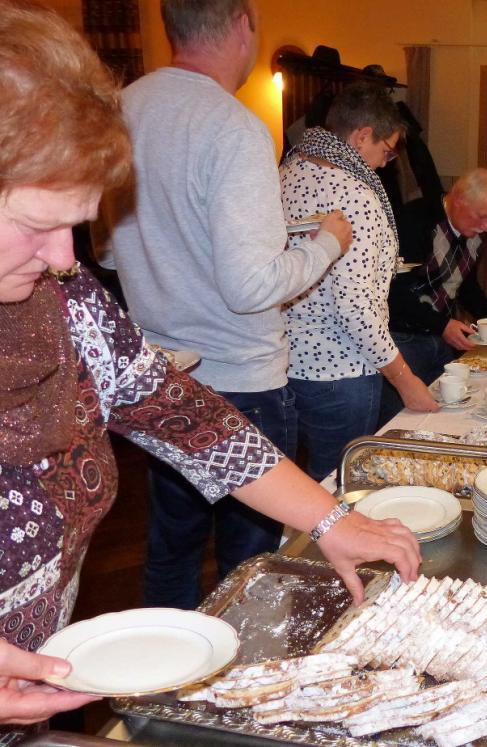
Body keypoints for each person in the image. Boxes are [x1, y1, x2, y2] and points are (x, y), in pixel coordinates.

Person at [0, 1, 420, 725]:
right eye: (39, 226)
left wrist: (329, 520)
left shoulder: (62, 301)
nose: (68, 259)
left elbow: (184, 414)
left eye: (76, 224)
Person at [105, 0, 355, 609]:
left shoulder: (120, 110)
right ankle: (237, 695)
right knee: (251, 567)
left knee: (171, 550)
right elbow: (251, 288)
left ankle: (159, 694)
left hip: (160, 380)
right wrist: (329, 243)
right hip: (242, 381)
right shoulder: (233, 126)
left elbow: (114, 254)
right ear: (244, 25)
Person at [280, 83, 439, 482]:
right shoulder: (355, 193)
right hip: (341, 370)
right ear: (362, 135)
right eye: (385, 151)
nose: (385, 164)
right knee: (341, 486)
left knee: (309, 484)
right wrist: (406, 380)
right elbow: (355, 307)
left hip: (284, 362)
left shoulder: (287, 169)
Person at [379, 169, 487, 425]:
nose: (486, 227)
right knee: (401, 420)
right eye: (483, 218)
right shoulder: (414, 222)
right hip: (402, 339)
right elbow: (393, 292)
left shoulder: (471, 231)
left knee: (446, 414)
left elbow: (464, 280)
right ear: (459, 200)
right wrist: (442, 324)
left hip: (438, 336)